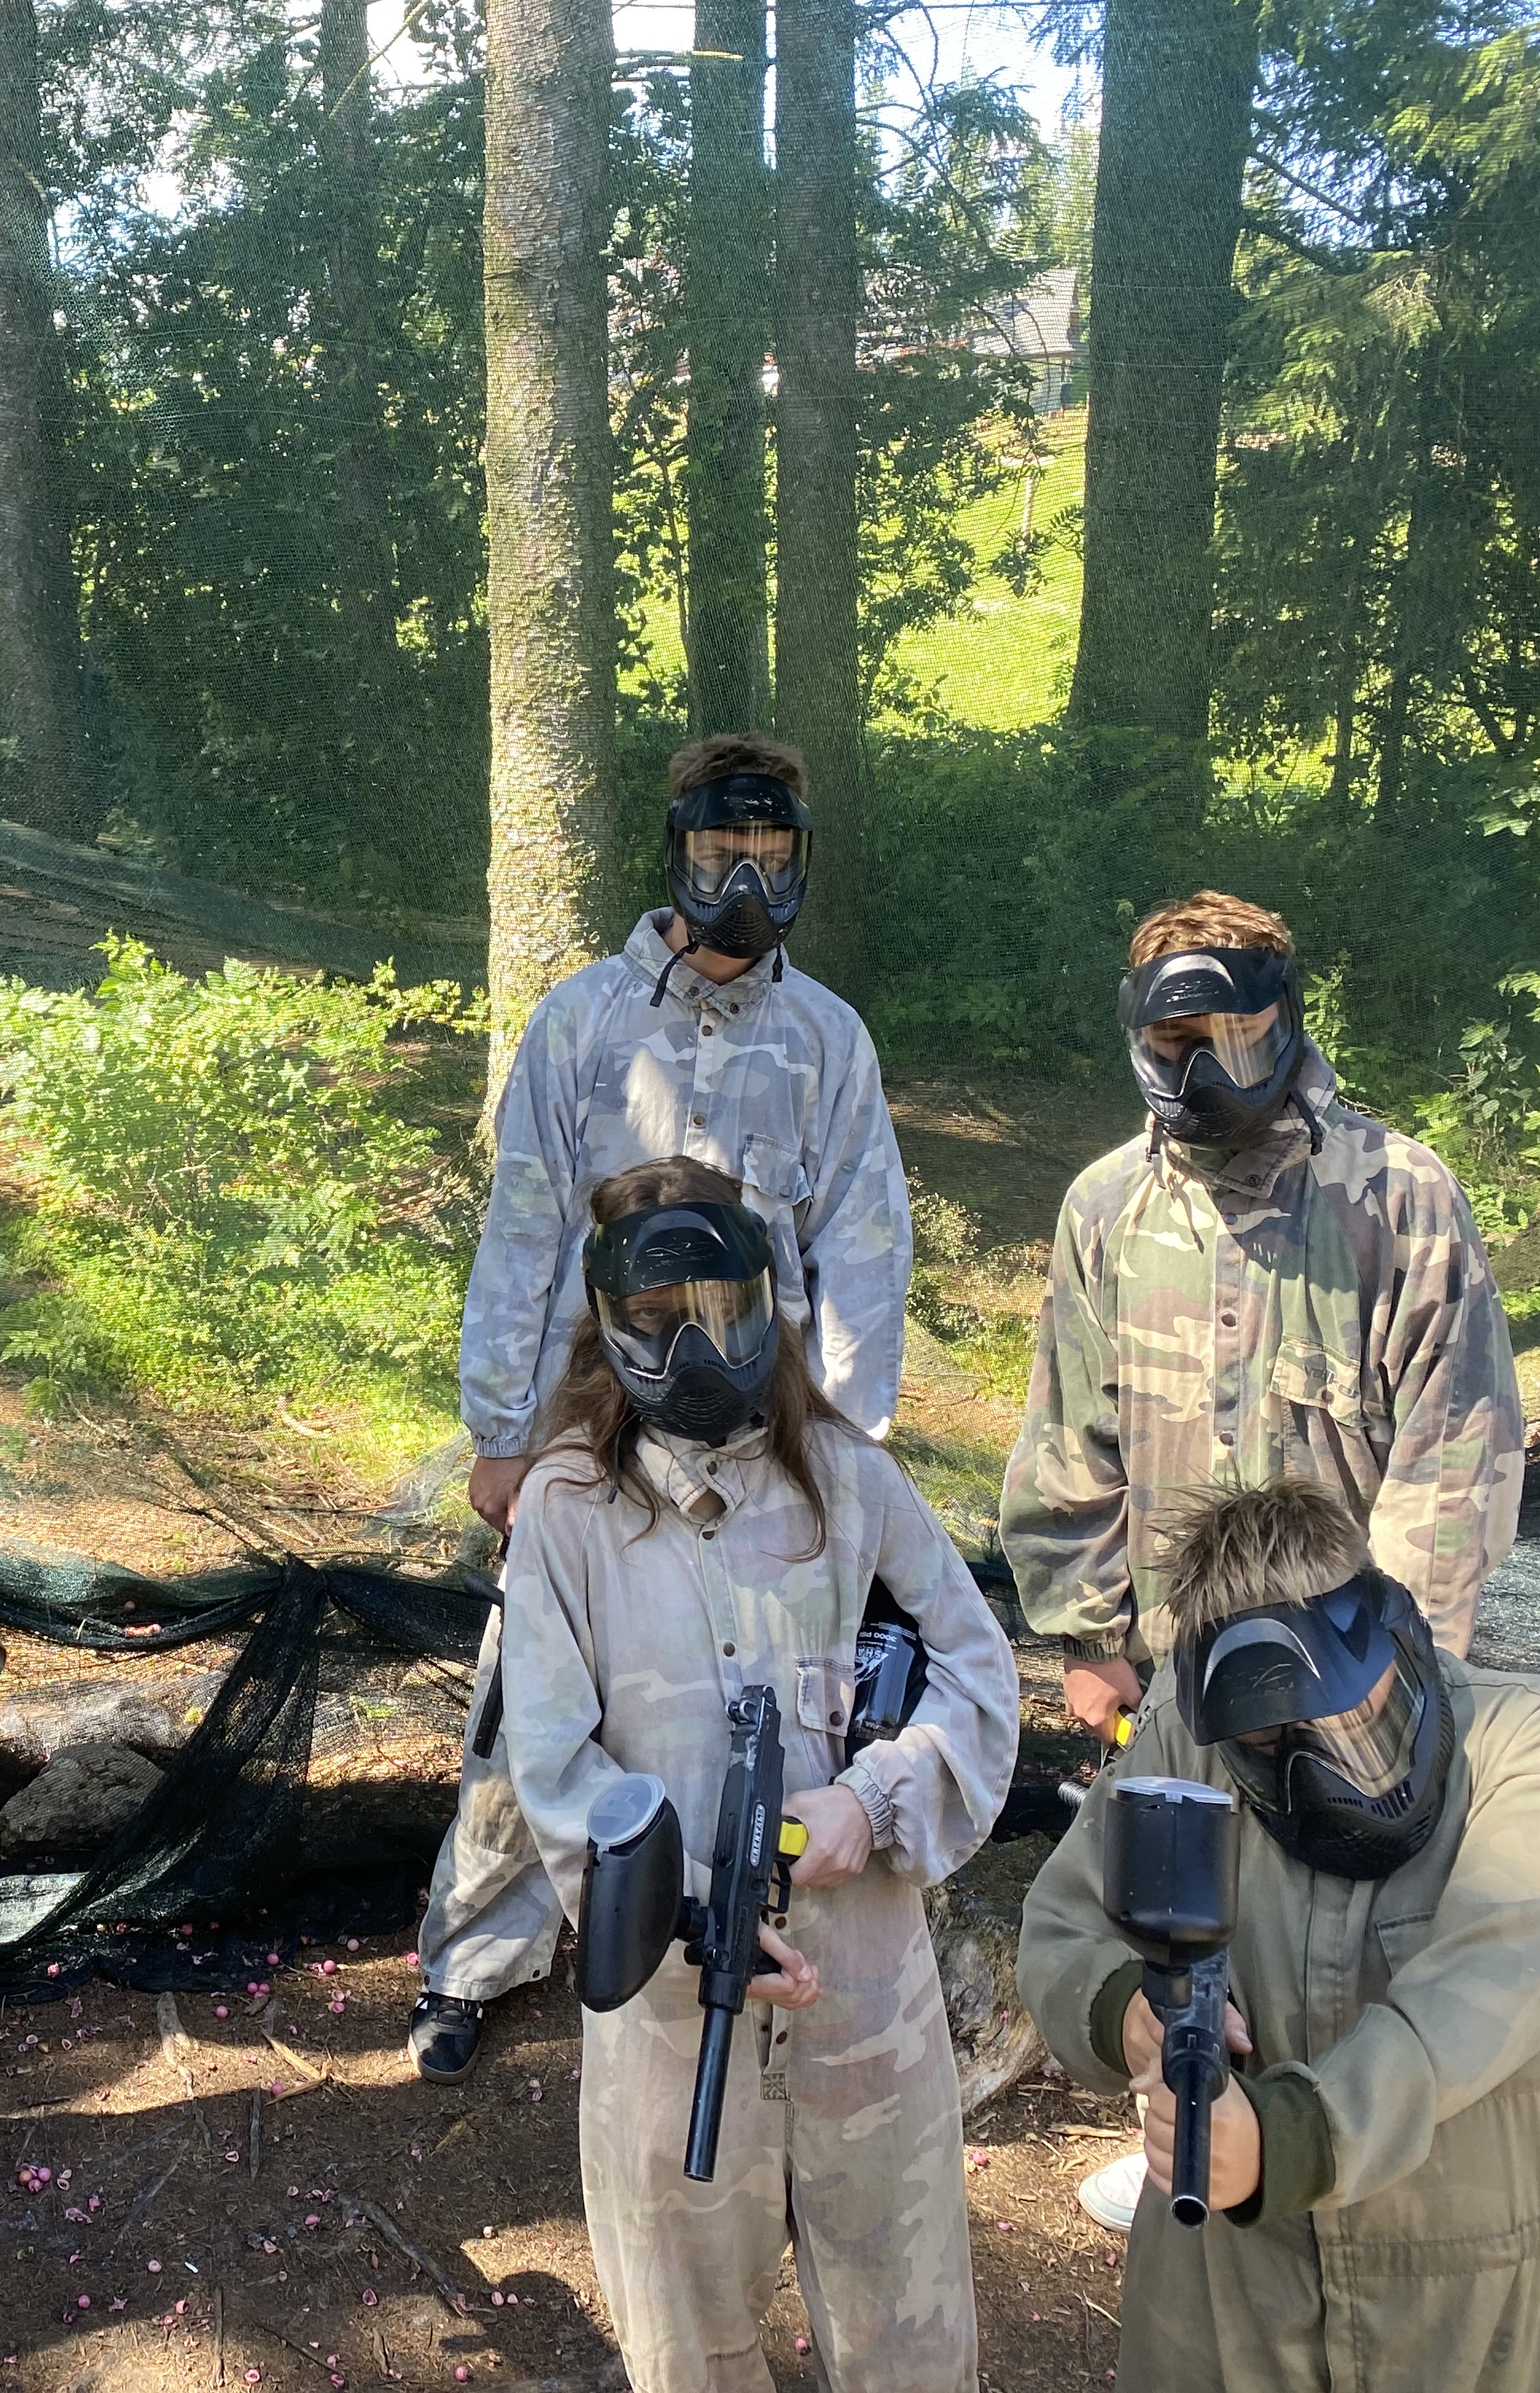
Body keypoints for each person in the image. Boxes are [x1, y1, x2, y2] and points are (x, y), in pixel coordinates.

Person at [1001, 890, 1525, 2225]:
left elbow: (1455, 1455)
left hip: (1355, 1665)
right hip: (1182, 1668)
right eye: (1173, 1043)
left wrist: (1405, 1668)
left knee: (1350, 1917)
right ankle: (1191, 2129)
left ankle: (1340, 2158)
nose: (1202, 1074)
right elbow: (1072, 1430)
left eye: (1231, 1038)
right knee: (1187, 1921)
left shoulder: (1394, 1197)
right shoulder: (1108, 1208)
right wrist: (1087, 1634)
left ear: (1285, 1021)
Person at [421, 733, 914, 2081]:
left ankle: (742, 1923)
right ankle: (474, 1953)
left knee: (765, 1684)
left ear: (799, 861)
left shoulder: (826, 1039)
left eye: (770, 854)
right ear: (676, 854)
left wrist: (848, 1447)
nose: (744, 882)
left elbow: (864, 1248)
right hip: (594, 1407)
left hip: (768, 1419)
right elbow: (525, 1228)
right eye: (719, 853)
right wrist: (502, 1432)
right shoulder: (583, 1022)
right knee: (529, 1683)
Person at [498, 1157, 1016, 2393]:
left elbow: (979, 1674)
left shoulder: (850, 1480)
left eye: (720, 1309)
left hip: (865, 1995)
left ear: (769, 1302)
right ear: (609, 1326)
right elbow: (554, 1764)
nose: (692, 1348)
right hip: (674, 2014)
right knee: (689, 2349)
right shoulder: (567, 1512)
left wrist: (872, 1801)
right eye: (656, 1320)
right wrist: (686, 1917)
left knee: (908, 2348)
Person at [1016, 1478, 1540, 2392]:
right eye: (1275, 1746)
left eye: (1355, 1728)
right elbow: (1062, 1928)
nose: (1328, 1778)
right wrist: (1132, 2019)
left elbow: (1480, 1994)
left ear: (1398, 1633)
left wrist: (1293, 2140)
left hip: (1492, 2316)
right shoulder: (1189, 1746)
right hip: (1235, 2302)